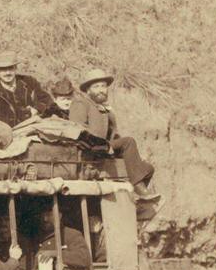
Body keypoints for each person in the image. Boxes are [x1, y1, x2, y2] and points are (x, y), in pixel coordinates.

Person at [68, 68, 160, 203]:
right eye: (96, 86)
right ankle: (139, 190)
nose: (101, 90)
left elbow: (114, 137)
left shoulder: (106, 111)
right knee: (128, 142)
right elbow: (76, 129)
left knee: (148, 168)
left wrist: (129, 155)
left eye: (103, 86)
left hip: (104, 150)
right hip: (89, 149)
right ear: (88, 90)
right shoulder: (81, 103)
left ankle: (137, 199)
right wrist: (101, 145)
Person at [0, 53, 55, 127]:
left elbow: (47, 100)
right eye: (3, 70)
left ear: (15, 68)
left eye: (10, 68)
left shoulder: (29, 81)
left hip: (34, 127)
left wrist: (36, 109)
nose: (8, 73)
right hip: (10, 134)